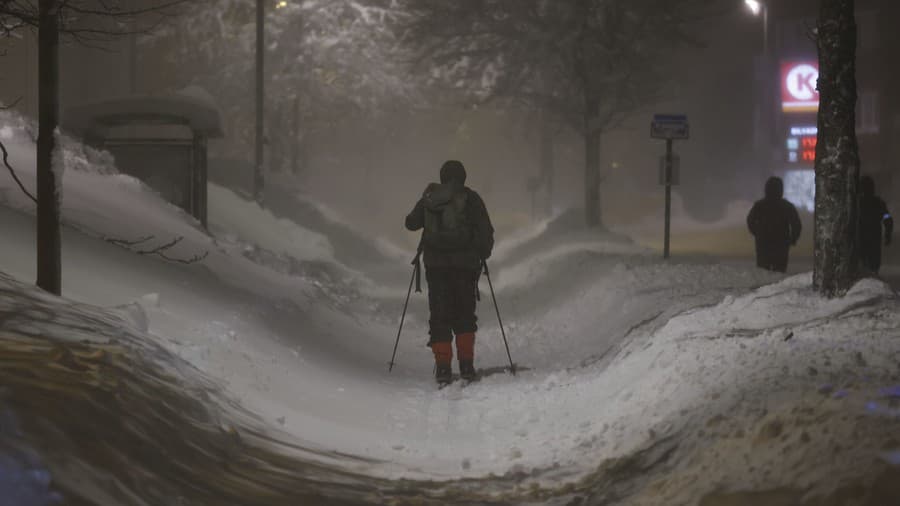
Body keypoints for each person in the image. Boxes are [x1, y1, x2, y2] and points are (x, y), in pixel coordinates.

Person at [405, 160, 494, 385]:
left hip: (436, 266)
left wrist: (425, 207)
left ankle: (443, 368)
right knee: (465, 313)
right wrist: (483, 253)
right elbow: (485, 230)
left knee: (439, 315)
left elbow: (411, 223)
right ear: (464, 177)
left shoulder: (431, 196)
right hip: (465, 266)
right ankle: (466, 365)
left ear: (442, 176)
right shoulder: (471, 199)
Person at [746, 176, 802, 273]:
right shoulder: (787, 206)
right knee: (779, 272)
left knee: (763, 271)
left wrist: (757, 233)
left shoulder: (759, 205)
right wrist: (792, 239)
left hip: (763, 243)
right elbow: (796, 224)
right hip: (781, 243)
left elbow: (750, 221)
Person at [858, 175, 893, 274]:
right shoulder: (879, 203)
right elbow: (887, 218)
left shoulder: (857, 203)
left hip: (861, 238)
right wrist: (888, 234)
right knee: (874, 263)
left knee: (863, 262)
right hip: (874, 237)